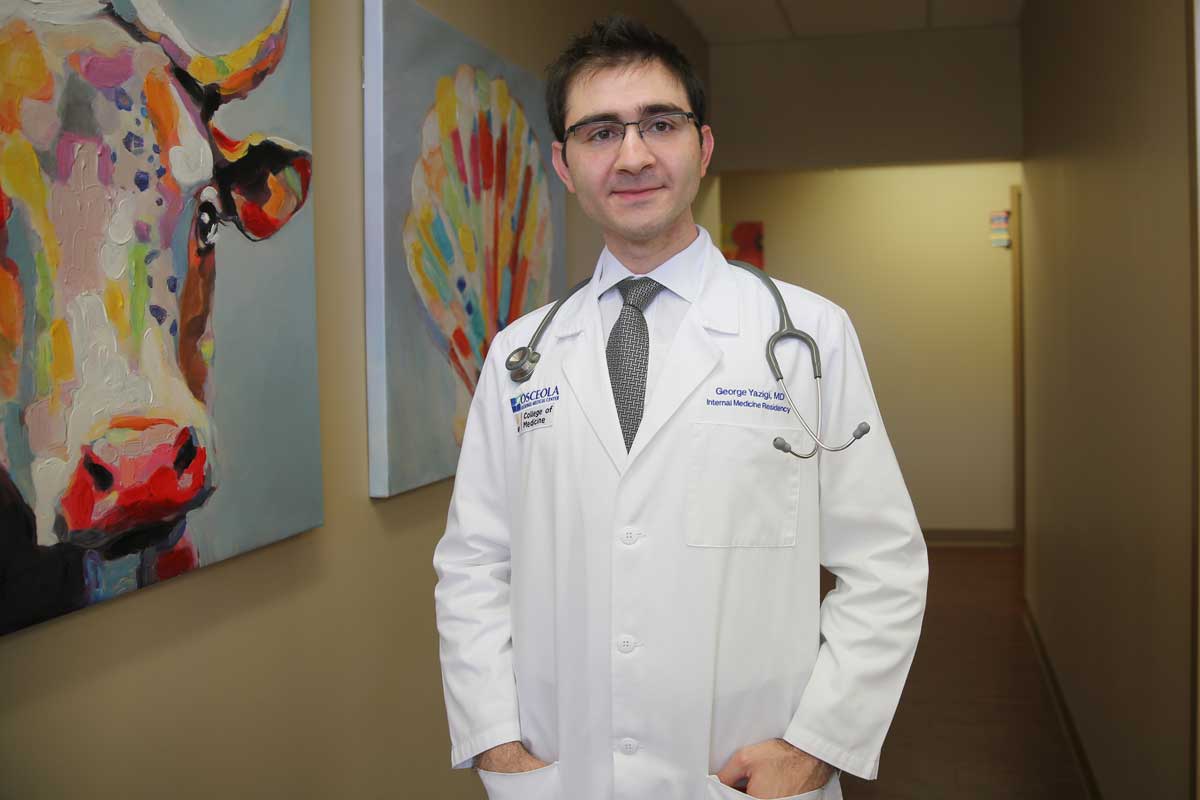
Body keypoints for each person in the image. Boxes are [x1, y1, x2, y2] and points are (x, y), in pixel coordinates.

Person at [433, 16, 928, 800]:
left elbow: (886, 567)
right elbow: (472, 567)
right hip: (565, 770)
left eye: (659, 124)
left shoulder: (808, 337)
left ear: (703, 145)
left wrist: (816, 746)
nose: (631, 156)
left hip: (744, 774)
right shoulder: (520, 357)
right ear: (563, 164)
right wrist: (494, 739)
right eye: (599, 133)